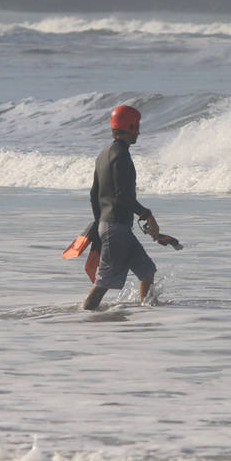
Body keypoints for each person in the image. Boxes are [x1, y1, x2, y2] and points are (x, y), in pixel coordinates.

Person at [82, 105, 161, 310]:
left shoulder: (103, 155)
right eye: (137, 127)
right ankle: (84, 316)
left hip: (112, 227)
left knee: (147, 270)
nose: (139, 132)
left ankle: (147, 311)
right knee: (103, 283)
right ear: (130, 126)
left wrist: (99, 225)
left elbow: (93, 195)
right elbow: (122, 196)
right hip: (115, 229)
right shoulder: (122, 155)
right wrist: (147, 215)